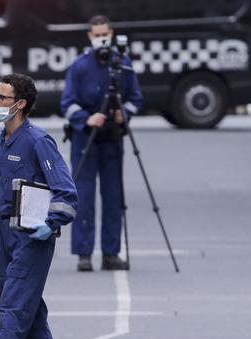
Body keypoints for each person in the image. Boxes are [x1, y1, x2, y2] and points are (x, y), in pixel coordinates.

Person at [0, 73, 78, 339]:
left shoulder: (37, 141)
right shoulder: (1, 141)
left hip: (32, 237)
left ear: (19, 103)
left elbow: (66, 191)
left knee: (13, 306)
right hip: (6, 236)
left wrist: (52, 223)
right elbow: (0, 187)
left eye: (1, 98)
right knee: (28, 307)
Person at [61, 15, 143, 272]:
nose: (101, 39)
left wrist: (124, 114)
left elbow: (135, 98)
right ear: (89, 36)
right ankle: (83, 253)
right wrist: (87, 118)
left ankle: (111, 252)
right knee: (83, 195)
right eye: (96, 35)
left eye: (104, 34)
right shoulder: (79, 66)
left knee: (113, 195)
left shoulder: (123, 64)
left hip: (113, 137)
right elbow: (67, 103)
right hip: (86, 137)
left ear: (112, 33)